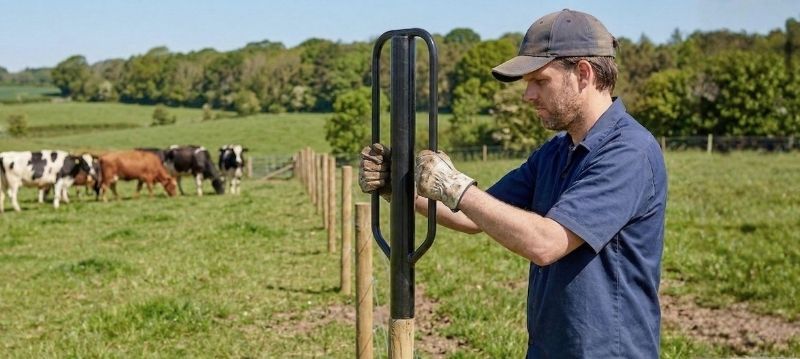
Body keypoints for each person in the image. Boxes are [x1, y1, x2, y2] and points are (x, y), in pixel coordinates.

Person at [360, 9, 668, 359]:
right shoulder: (556, 152)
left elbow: (546, 243)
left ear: (583, 73)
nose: (528, 96)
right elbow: (473, 215)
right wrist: (402, 190)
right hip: (550, 348)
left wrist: (454, 185)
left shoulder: (629, 152)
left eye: (540, 80)